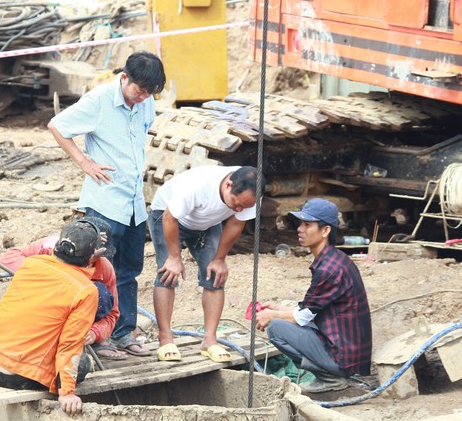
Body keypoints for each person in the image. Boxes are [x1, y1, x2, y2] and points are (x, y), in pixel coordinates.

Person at [47, 51, 165, 357]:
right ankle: (99, 337)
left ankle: (125, 332)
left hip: (134, 201)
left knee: (129, 270)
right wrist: (85, 162)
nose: (144, 97)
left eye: (150, 92)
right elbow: (57, 126)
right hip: (105, 201)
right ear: (124, 78)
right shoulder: (98, 100)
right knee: (99, 271)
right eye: (140, 90)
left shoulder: (145, 101)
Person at [0, 219, 105, 416]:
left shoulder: (31, 263)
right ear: (91, 258)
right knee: (84, 364)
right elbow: (70, 344)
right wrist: (67, 393)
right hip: (15, 375)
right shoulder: (86, 291)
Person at [255, 198, 372, 393]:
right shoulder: (334, 260)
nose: (300, 229)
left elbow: (302, 316)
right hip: (347, 349)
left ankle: (330, 378)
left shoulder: (328, 269)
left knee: (276, 328)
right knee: (281, 319)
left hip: (343, 358)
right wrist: (278, 308)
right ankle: (330, 374)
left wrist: (272, 316)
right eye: (300, 224)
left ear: (325, 231)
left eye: (307, 224)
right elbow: (311, 307)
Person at [149, 166, 262, 362]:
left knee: (216, 277)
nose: (238, 210)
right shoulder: (197, 186)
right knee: (167, 273)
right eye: (236, 203)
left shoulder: (252, 193)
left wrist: (220, 259)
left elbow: (236, 223)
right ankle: (165, 338)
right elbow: (170, 217)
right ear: (228, 185)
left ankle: (209, 340)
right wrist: (175, 257)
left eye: (244, 207)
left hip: (207, 224)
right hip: (169, 215)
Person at [0, 216, 124, 359]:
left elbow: (112, 313)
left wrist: (95, 332)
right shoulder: (47, 249)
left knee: (100, 293)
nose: (94, 260)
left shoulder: (103, 268)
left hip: (75, 320)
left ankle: (81, 340)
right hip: (42, 308)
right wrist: (44, 273)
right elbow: (9, 258)